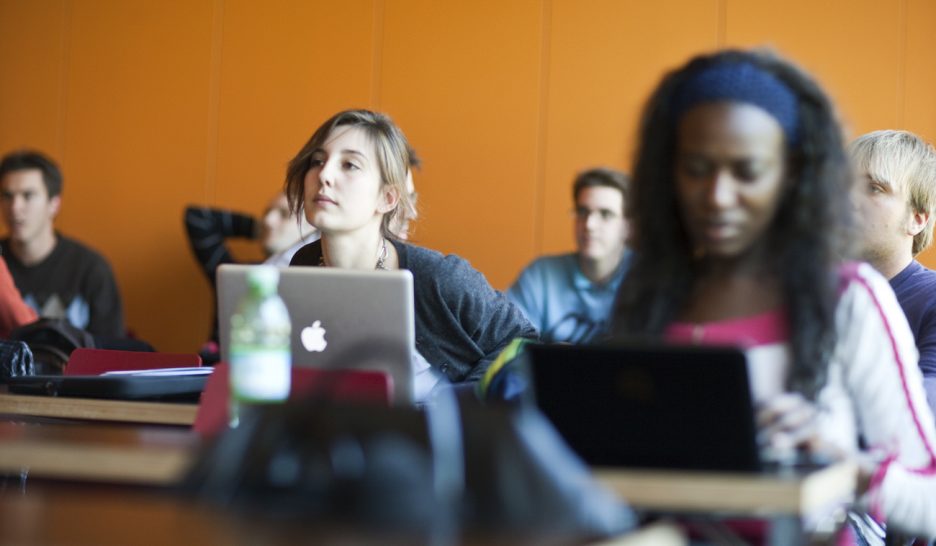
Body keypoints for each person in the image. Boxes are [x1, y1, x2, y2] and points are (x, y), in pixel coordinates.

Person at [610, 50, 936, 538]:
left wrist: (845, 467)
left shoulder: (848, 297)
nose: (718, 195)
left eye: (748, 171)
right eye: (697, 168)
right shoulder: (648, 294)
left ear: (791, 178)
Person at [286, 109, 536, 401]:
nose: (324, 175)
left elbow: (522, 341)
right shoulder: (304, 265)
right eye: (318, 161)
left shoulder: (438, 277)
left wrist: (464, 403)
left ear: (387, 198)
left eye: (350, 165)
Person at [850, 130, 936, 415]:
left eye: (873, 188)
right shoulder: (811, 294)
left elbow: (924, 412)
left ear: (916, 219)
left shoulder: (931, 298)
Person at [0, 150, 125, 339]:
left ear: (54, 204)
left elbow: (110, 353)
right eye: (7, 196)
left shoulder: (91, 269)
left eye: (28, 195)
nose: (15, 207)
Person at [507, 168, 630, 343]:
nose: (589, 225)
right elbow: (507, 344)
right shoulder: (541, 275)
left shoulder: (648, 276)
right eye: (582, 212)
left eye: (605, 214)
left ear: (628, 226)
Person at [184, 191, 318, 351]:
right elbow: (198, 218)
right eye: (267, 213)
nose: (268, 220)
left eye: (283, 214)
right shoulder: (234, 274)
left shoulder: (316, 283)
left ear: (312, 230)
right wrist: (261, 229)